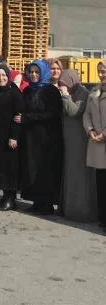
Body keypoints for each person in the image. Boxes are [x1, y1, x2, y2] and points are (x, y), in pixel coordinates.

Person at [17, 59, 63, 215]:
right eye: (31, 72)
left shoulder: (50, 90)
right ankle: (36, 202)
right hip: (30, 137)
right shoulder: (28, 90)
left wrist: (28, 118)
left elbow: (53, 113)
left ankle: (47, 203)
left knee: (45, 170)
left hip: (46, 138)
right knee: (32, 169)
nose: (33, 75)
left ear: (43, 73)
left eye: (37, 72)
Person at [0, 64, 25, 211]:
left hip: (10, 138)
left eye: (4, 75)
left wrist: (14, 136)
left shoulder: (14, 93)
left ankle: (11, 199)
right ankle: (4, 196)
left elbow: (18, 116)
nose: (1, 78)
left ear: (8, 77)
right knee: (0, 168)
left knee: (10, 169)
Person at [59, 69, 96, 221]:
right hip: (69, 140)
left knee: (78, 175)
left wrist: (66, 96)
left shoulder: (82, 93)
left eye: (64, 83)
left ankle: (80, 210)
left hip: (79, 142)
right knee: (69, 173)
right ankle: (67, 207)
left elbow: (74, 111)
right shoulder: (72, 92)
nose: (63, 86)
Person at [83, 62, 106, 231]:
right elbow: (86, 115)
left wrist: (103, 135)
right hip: (97, 144)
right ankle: (102, 217)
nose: (102, 74)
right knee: (101, 182)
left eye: (104, 71)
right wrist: (90, 130)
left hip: (103, 139)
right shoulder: (94, 93)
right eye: (100, 72)